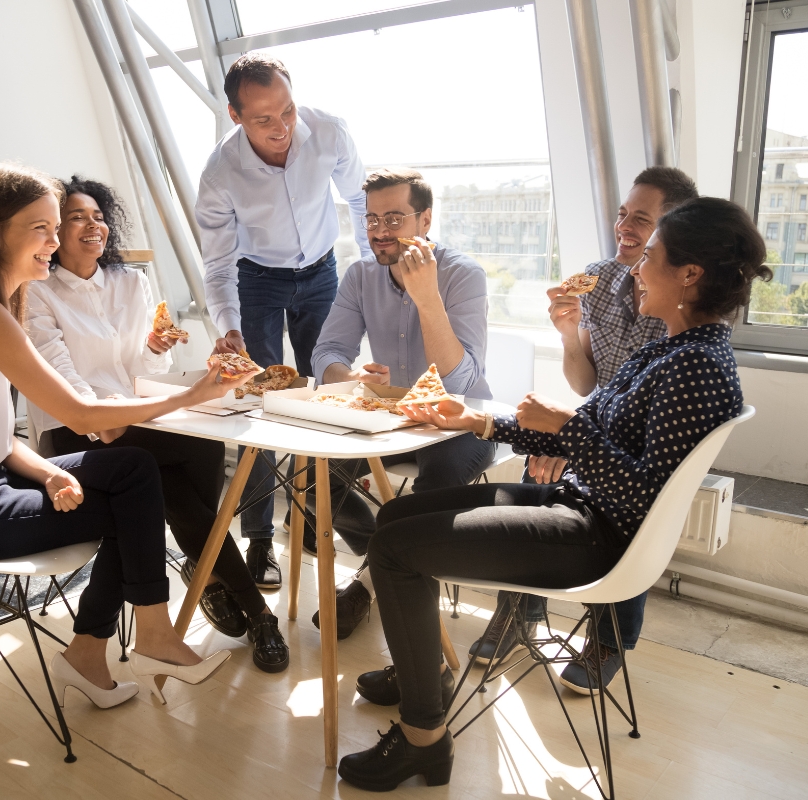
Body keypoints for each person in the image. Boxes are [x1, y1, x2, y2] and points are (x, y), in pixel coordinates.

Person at [337, 197, 771, 792]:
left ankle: (423, 739)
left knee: (394, 550)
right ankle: (426, 674)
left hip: (597, 537)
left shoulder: (696, 367)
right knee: (396, 518)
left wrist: (566, 431)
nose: (635, 270)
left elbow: (642, 491)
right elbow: (593, 432)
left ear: (690, 275)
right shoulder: (674, 348)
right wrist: (477, 424)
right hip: (577, 508)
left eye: (650, 258)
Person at [0, 163, 254, 710]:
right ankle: (135, 641)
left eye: (53, 228)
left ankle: (105, 649)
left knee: (133, 469)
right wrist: (192, 395)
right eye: (42, 227)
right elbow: (83, 415)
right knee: (134, 506)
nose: (55, 241)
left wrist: (49, 469)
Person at [24, 176, 288, 673]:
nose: (93, 225)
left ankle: (208, 567)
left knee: (201, 444)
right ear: (55, 230)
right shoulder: (37, 292)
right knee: (164, 476)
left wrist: (153, 349)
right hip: (73, 430)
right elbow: (64, 383)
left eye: (99, 216)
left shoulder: (130, 282)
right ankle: (251, 608)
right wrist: (108, 419)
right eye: (77, 217)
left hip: (134, 419)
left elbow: (142, 375)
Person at [469, 167, 701, 688]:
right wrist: (570, 332)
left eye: (641, 219)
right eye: (623, 214)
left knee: (622, 498)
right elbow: (584, 384)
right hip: (597, 422)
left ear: (674, 229)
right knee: (537, 474)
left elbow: (641, 420)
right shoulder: (599, 278)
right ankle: (521, 609)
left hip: (642, 445)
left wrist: (573, 442)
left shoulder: (687, 306)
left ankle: (610, 635)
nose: (625, 226)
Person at [197, 52, 371, 589]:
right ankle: (260, 544)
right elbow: (218, 263)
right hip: (257, 282)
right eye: (263, 120)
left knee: (329, 395)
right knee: (260, 411)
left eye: (288, 111)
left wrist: (374, 277)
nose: (282, 129)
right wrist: (229, 326)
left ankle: (321, 517)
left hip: (321, 273)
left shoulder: (330, 132)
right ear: (235, 116)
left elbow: (362, 204)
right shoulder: (221, 172)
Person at [304, 169, 495, 641]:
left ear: (425, 219)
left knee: (433, 486)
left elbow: (457, 381)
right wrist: (350, 377)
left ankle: (367, 585)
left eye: (394, 218)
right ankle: (386, 562)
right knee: (313, 480)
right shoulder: (360, 275)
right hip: (390, 418)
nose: (379, 232)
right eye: (371, 219)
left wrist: (426, 296)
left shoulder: (463, 275)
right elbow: (325, 353)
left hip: (460, 424)